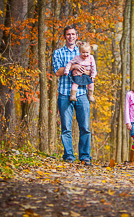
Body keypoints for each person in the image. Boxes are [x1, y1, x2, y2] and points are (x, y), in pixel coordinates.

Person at [52, 25, 92, 166]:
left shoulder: (83, 51)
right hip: (64, 93)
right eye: (68, 34)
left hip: (81, 93)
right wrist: (73, 67)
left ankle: (85, 157)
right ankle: (69, 156)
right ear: (65, 36)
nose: (71, 36)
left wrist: (85, 71)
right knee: (66, 128)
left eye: (73, 34)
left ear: (76, 36)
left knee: (85, 127)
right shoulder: (58, 53)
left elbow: (91, 70)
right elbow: (57, 72)